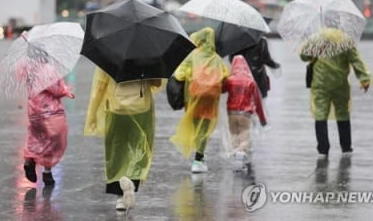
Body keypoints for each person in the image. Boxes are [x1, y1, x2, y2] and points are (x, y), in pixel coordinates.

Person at [84, 67, 162, 211]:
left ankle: (120, 197)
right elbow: (156, 83)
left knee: (116, 150)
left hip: (116, 108)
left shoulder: (108, 54)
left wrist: (92, 113)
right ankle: (132, 179)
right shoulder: (147, 55)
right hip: (141, 108)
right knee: (141, 146)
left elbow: (100, 86)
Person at [300, 28, 371, 157]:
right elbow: (355, 60)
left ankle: (323, 148)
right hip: (340, 83)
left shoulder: (316, 38)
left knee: (320, 113)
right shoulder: (345, 40)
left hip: (320, 83)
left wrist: (315, 52)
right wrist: (364, 79)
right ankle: (346, 146)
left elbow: (304, 56)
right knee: (342, 112)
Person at [170, 27, 228, 173]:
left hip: (194, 96)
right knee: (204, 128)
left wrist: (192, 75)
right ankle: (199, 158)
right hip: (211, 99)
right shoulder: (216, 58)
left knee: (196, 126)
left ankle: (197, 159)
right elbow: (226, 75)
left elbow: (179, 75)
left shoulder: (192, 56)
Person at [21, 46, 75, 186]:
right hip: (50, 112)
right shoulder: (47, 69)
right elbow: (56, 90)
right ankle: (47, 173)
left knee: (35, 137)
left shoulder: (27, 69)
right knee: (53, 141)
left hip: (34, 112)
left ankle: (30, 159)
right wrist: (66, 90)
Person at [223, 55, 267, 171]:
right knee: (245, 137)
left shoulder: (230, 80)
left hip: (232, 113)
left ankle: (236, 155)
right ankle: (241, 154)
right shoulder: (250, 81)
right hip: (245, 114)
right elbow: (257, 101)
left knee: (234, 135)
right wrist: (262, 119)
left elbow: (222, 89)